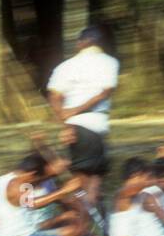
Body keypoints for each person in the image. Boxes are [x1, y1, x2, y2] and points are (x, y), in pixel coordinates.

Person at [47, 27, 120, 210]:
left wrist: (66, 124)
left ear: (80, 43)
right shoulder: (109, 62)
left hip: (76, 127)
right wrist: (76, 112)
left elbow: (54, 97)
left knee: (87, 182)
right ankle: (87, 228)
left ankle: (90, 227)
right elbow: (105, 92)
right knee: (90, 184)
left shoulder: (65, 66)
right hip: (94, 125)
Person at [0, 152, 102, 236]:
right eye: (38, 178)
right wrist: (64, 190)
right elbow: (32, 204)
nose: (37, 182)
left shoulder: (1, 179)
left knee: (67, 224)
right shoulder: (18, 184)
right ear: (32, 174)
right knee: (75, 231)